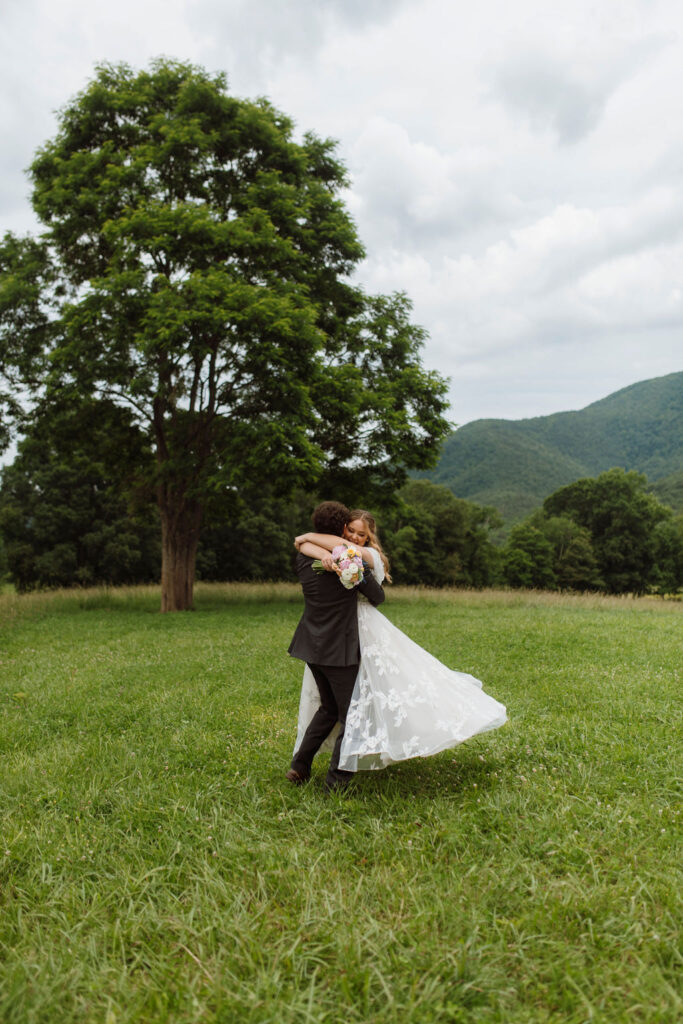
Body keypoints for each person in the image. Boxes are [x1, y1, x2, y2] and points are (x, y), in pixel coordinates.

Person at [294, 509, 507, 773]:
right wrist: (317, 546)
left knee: (371, 700)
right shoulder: (333, 552)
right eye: (351, 531)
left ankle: (331, 769)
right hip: (343, 635)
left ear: (370, 536)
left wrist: (309, 537)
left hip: (362, 633)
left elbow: (349, 559)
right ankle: (326, 772)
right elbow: (328, 548)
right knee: (345, 708)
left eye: (362, 534)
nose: (355, 537)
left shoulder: (368, 556)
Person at [287, 501, 386, 792]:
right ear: (343, 530)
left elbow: (306, 547)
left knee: (328, 709)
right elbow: (377, 597)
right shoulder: (349, 562)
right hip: (338, 650)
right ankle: (337, 782)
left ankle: (299, 766)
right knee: (352, 715)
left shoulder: (304, 559)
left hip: (311, 644)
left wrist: (305, 539)